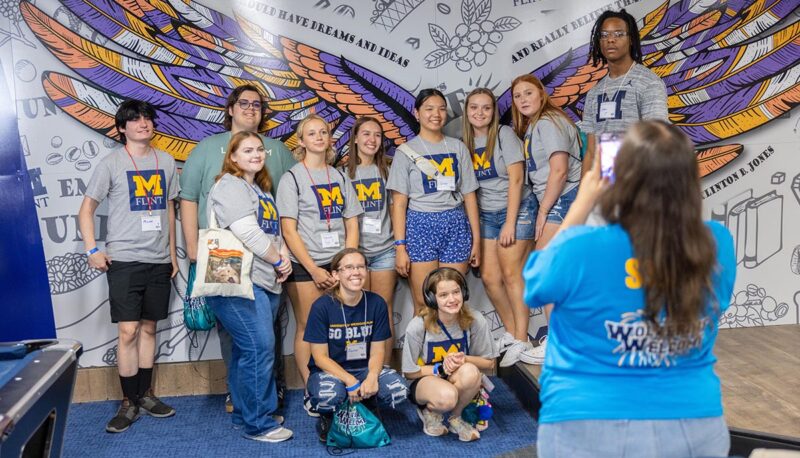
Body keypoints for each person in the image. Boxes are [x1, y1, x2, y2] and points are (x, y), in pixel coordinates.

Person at [523, 121, 736, 458]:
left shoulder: (581, 247)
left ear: (619, 178)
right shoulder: (715, 241)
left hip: (586, 420)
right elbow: (717, 302)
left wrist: (581, 204)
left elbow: (535, 285)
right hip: (693, 422)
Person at [180, 84, 296, 413]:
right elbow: (188, 198)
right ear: (230, 109)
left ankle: (269, 391)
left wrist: (282, 253)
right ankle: (245, 399)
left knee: (268, 332)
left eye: (257, 105)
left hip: (267, 263)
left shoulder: (277, 151)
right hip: (230, 260)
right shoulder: (206, 149)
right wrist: (192, 246)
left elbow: (286, 204)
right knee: (237, 333)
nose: (250, 109)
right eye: (243, 103)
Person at [78, 100, 179, 433]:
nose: (143, 123)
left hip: (158, 260)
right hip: (123, 260)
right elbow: (86, 210)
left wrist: (174, 256)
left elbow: (168, 210)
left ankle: (146, 395)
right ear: (121, 128)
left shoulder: (165, 161)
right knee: (128, 331)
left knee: (150, 329)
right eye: (135, 119)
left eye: (147, 118)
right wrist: (92, 249)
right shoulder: (111, 163)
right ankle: (128, 401)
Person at [205, 131, 294, 442]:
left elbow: (273, 233)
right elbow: (248, 232)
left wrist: (281, 256)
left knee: (248, 350)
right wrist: (279, 261)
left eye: (260, 150)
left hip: (262, 280)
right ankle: (259, 423)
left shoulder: (259, 189)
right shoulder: (230, 185)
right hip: (238, 282)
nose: (256, 154)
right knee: (258, 347)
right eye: (247, 150)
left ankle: (246, 412)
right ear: (233, 157)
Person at [276, 114, 362, 409]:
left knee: (336, 325)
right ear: (300, 141)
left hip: (336, 263)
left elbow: (351, 221)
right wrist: (313, 269)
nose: (319, 137)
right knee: (307, 326)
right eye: (311, 133)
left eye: (323, 132)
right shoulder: (292, 178)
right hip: (305, 265)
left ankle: (337, 379)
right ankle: (311, 387)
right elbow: (288, 229)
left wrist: (346, 264)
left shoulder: (339, 177)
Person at [509, 74, 584, 365]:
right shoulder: (537, 124)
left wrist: (543, 211)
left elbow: (559, 171)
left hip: (563, 199)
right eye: (518, 96)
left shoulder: (549, 122)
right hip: (562, 199)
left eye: (529, 93)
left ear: (542, 94)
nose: (523, 99)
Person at [461, 88, 537, 367]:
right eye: (474, 108)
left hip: (517, 209)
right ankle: (513, 333)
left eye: (486, 108)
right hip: (487, 214)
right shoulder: (464, 142)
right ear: (467, 112)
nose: (480, 113)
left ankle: (522, 339)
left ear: (494, 112)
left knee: (511, 274)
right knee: (491, 278)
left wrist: (509, 222)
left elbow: (517, 180)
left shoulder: (504, 135)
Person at [387, 88, 481, 314]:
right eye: (429, 109)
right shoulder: (405, 152)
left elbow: (469, 195)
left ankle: (455, 349)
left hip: (455, 225)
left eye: (441, 109)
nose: (436, 114)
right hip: (420, 226)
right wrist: (400, 247)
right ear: (417, 113)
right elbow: (398, 204)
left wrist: (476, 240)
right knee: (423, 301)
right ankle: (424, 350)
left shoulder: (457, 147)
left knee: (453, 300)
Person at [304, 248, 408, 442]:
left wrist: (372, 376)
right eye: (349, 267)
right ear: (336, 274)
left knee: (398, 391)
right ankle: (331, 415)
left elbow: (378, 350)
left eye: (361, 267)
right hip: (331, 371)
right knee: (329, 396)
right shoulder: (322, 306)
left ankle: (367, 404)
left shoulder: (376, 303)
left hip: (364, 367)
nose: (356, 272)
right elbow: (320, 357)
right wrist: (350, 381)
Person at [402, 268, 498, 442]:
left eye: (456, 292)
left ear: (464, 293)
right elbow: (409, 372)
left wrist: (464, 359)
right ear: (432, 299)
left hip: (456, 377)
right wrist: (439, 369)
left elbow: (490, 363)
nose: (452, 299)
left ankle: (456, 417)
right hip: (426, 381)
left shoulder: (475, 320)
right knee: (447, 397)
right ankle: (430, 411)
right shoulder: (418, 326)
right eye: (444, 295)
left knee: (471, 371)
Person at [580, 9, 669, 170]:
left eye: (618, 34)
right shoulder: (594, 93)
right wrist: (585, 192)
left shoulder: (648, 82)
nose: (610, 40)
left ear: (631, 40)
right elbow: (591, 152)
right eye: (604, 35)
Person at [344, 117, 397, 365]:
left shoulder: (388, 169)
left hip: (385, 249)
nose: (372, 140)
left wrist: (400, 245)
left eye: (377, 135)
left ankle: (384, 368)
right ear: (355, 138)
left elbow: (397, 209)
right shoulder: (343, 173)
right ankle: (360, 369)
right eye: (366, 134)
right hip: (356, 253)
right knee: (358, 312)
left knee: (382, 309)